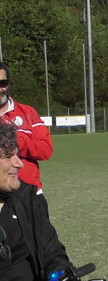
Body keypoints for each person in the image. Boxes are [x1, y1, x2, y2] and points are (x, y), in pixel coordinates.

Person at [0, 120, 86, 281]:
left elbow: (51, 251)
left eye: (17, 154)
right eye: (8, 156)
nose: (19, 163)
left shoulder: (28, 199)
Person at [0, 62, 53, 194]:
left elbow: (46, 150)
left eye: (2, 83)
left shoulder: (28, 112)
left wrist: (16, 141)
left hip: (29, 193)